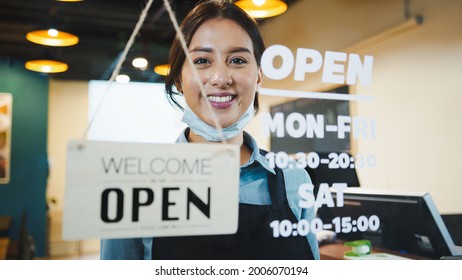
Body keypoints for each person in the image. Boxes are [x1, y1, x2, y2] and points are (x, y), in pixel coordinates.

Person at [100, 0, 319, 260]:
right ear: (179, 79)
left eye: (237, 60)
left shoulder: (294, 180)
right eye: (202, 61)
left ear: (258, 75)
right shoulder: (134, 188)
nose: (220, 78)